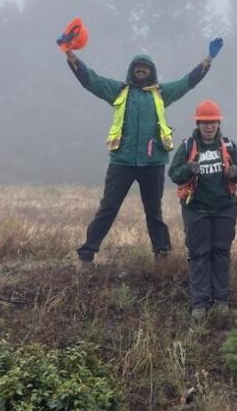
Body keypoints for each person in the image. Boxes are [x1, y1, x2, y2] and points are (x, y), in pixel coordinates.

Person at [65, 37, 223, 264]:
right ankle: (87, 252)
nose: (141, 70)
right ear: (132, 71)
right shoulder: (118, 91)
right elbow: (90, 80)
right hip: (122, 160)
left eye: (145, 67)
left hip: (153, 162)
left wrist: (209, 59)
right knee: (108, 207)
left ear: (151, 72)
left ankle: (162, 253)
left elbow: (188, 82)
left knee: (154, 211)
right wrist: (70, 55)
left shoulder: (161, 93)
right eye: (138, 67)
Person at [168, 100, 237, 320]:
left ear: (218, 123)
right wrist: (188, 169)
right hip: (196, 209)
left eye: (213, 122)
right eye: (205, 122)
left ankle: (221, 301)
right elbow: (174, 174)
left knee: (221, 253)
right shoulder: (187, 146)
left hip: (225, 208)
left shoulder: (229, 145)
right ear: (198, 123)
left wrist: (234, 172)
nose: (209, 127)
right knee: (198, 254)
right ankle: (199, 304)